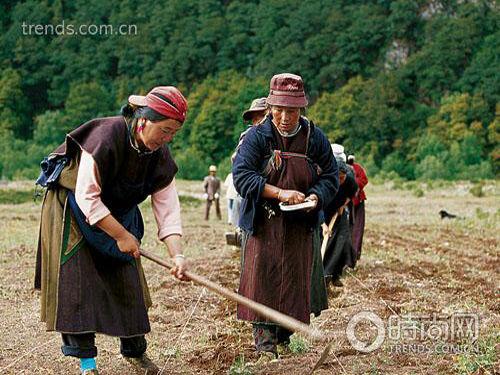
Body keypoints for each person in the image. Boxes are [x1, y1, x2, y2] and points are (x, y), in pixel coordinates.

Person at [34, 86, 190, 375]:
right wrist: (120, 235)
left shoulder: (160, 156)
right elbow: (87, 197)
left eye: (173, 134)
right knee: (79, 283)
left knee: (126, 277)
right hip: (74, 204)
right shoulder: (106, 138)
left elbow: (168, 209)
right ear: (143, 121)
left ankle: (135, 352)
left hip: (117, 210)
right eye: (165, 130)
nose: (167, 139)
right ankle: (87, 364)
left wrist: (177, 255)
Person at [232, 73, 338, 357]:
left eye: (291, 111)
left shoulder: (315, 138)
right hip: (263, 222)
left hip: (301, 224)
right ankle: (265, 345)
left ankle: (284, 336)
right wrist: (279, 193)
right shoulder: (257, 137)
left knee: (294, 281)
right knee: (262, 281)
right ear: (270, 108)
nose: (284, 117)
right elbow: (242, 177)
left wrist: (316, 196)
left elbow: (330, 177)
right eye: (278, 110)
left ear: (301, 109)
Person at [322, 156, 358, 288]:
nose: (340, 180)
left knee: (343, 242)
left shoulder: (350, 182)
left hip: (339, 214)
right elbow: (318, 206)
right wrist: (323, 225)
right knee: (327, 243)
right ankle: (324, 275)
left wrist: (343, 205)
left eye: (343, 177)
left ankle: (335, 275)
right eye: (338, 177)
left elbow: (352, 194)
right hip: (324, 215)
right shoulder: (326, 182)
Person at [347, 154, 368, 259]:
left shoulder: (357, 168)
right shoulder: (341, 168)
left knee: (357, 228)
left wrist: (355, 186)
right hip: (345, 203)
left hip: (357, 202)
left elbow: (364, 180)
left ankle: (354, 255)